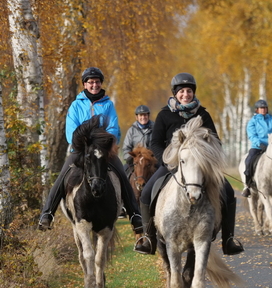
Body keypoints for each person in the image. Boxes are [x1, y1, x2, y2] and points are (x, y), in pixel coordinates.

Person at [134, 73, 244, 256]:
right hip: (171, 165)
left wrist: (207, 160)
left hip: (199, 168)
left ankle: (228, 240)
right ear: (175, 93)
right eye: (182, 91)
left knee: (229, 192)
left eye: (189, 91)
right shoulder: (164, 115)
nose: (186, 94)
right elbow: (155, 143)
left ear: (193, 93)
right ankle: (148, 239)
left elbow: (215, 141)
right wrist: (167, 161)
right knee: (146, 193)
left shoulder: (203, 115)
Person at [37, 67, 143, 234]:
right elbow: (71, 132)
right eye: (91, 82)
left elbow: (114, 129)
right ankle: (47, 213)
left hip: (104, 150)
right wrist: (89, 137)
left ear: (101, 83)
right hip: (81, 150)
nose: (94, 84)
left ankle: (135, 215)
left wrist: (99, 139)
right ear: (85, 84)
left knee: (122, 173)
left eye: (97, 81)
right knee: (63, 175)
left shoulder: (108, 104)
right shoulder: (75, 105)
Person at [122, 105, 154, 173]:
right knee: (123, 172)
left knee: (163, 172)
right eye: (141, 115)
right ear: (136, 117)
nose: (143, 117)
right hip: (135, 160)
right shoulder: (131, 130)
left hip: (151, 160)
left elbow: (159, 144)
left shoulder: (155, 128)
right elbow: (126, 148)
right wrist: (130, 158)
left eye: (145, 115)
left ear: (148, 116)